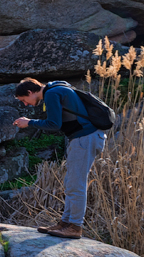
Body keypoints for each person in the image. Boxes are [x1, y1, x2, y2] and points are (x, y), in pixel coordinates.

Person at [13, 78, 106, 239]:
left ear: (30, 92)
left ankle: (75, 227)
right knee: (71, 182)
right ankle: (65, 223)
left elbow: (54, 124)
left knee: (76, 183)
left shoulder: (52, 93)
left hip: (85, 138)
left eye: (24, 100)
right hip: (84, 138)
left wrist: (29, 122)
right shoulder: (56, 89)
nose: (26, 104)